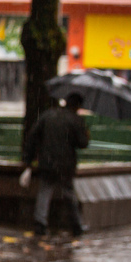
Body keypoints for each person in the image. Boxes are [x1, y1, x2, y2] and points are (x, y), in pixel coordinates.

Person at [22, 92, 90, 237]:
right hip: (65, 164)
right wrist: (86, 133)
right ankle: (76, 225)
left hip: (46, 161)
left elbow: (33, 135)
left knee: (44, 191)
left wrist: (29, 159)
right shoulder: (75, 120)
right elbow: (83, 143)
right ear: (77, 105)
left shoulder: (48, 115)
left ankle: (40, 223)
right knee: (68, 193)